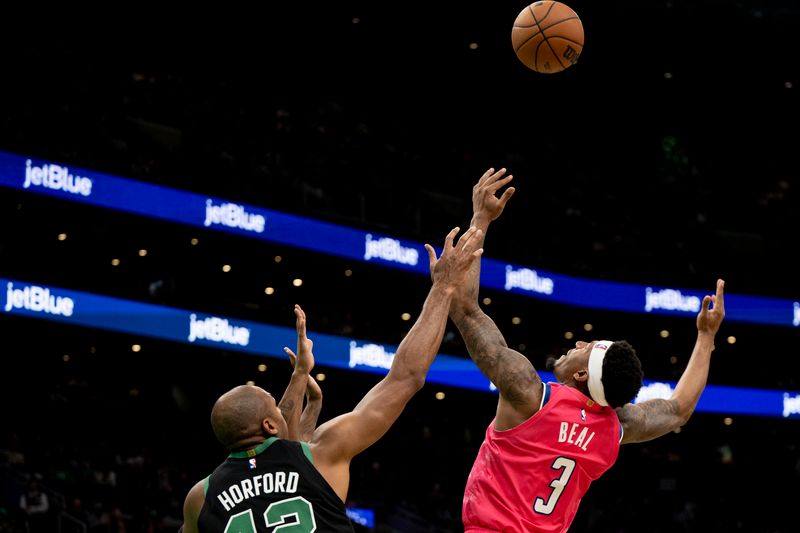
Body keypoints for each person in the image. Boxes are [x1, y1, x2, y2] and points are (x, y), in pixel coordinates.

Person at [448, 168, 726, 533]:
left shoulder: (529, 392)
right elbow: (678, 410)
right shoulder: (615, 426)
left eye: (587, 348)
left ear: (582, 374)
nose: (578, 343)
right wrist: (706, 339)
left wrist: (480, 218)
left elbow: (466, 309)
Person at [181, 225, 485, 532]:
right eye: (274, 404)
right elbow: (405, 378)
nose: (283, 406)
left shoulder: (200, 498)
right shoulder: (322, 454)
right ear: (270, 425)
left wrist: (301, 378)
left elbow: (282, 446)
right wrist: (443, 288)